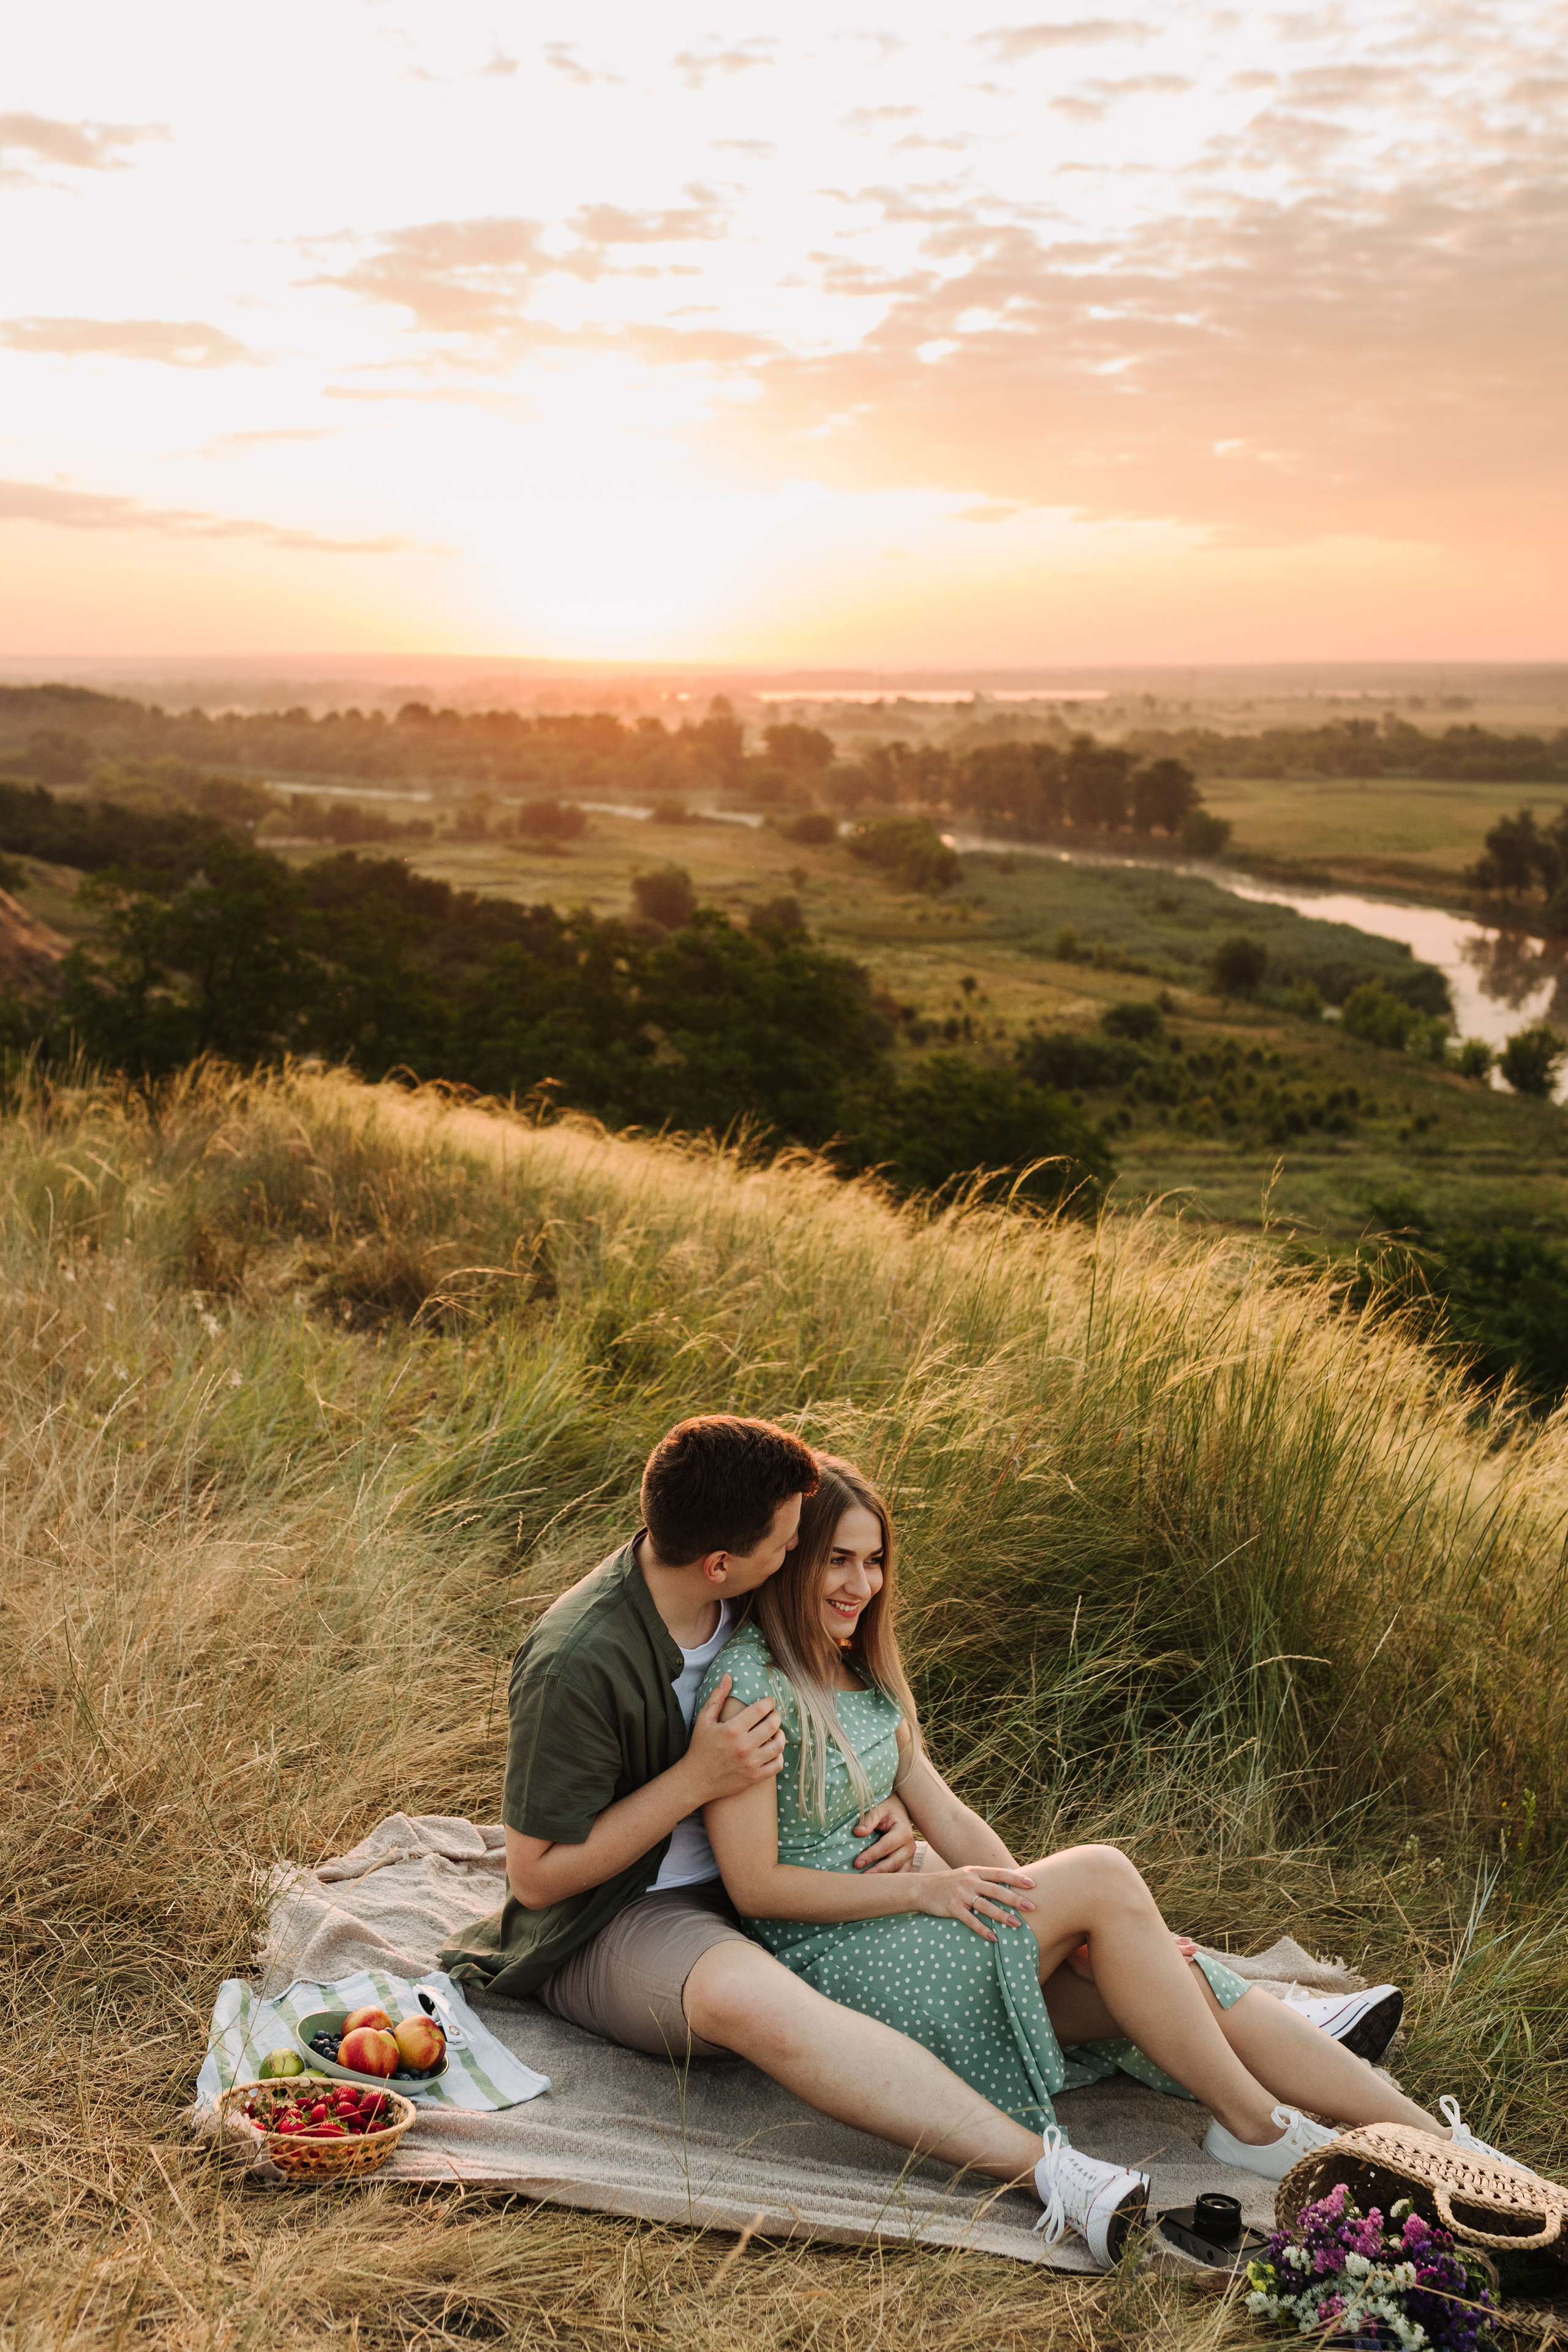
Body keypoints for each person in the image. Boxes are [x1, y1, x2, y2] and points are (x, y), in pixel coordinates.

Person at [693, 1454, 1528, 2265]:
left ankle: (1438, 2144)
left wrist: (1047, 1925)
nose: (860, 1584)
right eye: (838, 1560)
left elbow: (947, 1812)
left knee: (1173, 1969)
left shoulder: (860, 1674)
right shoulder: (751, 1682)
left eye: (875, 1562)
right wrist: (937, 1886)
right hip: (845, 1972)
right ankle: (1256, 2127)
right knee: (1101, 1877)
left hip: (927, 1932)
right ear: (793, 1557)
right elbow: (756, 1887)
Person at [441, 1414, 1164, 2248]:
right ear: (724, 1562)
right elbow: (534, 1877)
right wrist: (694, 1781)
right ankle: (1052, 2174)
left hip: (775, 1878)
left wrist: (886, 1794)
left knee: (1009, 1908)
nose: (801, 1558)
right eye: (790, 1546)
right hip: (622, 1916)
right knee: (757, 2004)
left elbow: (843, 1713)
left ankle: (1227, 2012)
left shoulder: (736, 1587)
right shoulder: (577, 1659)